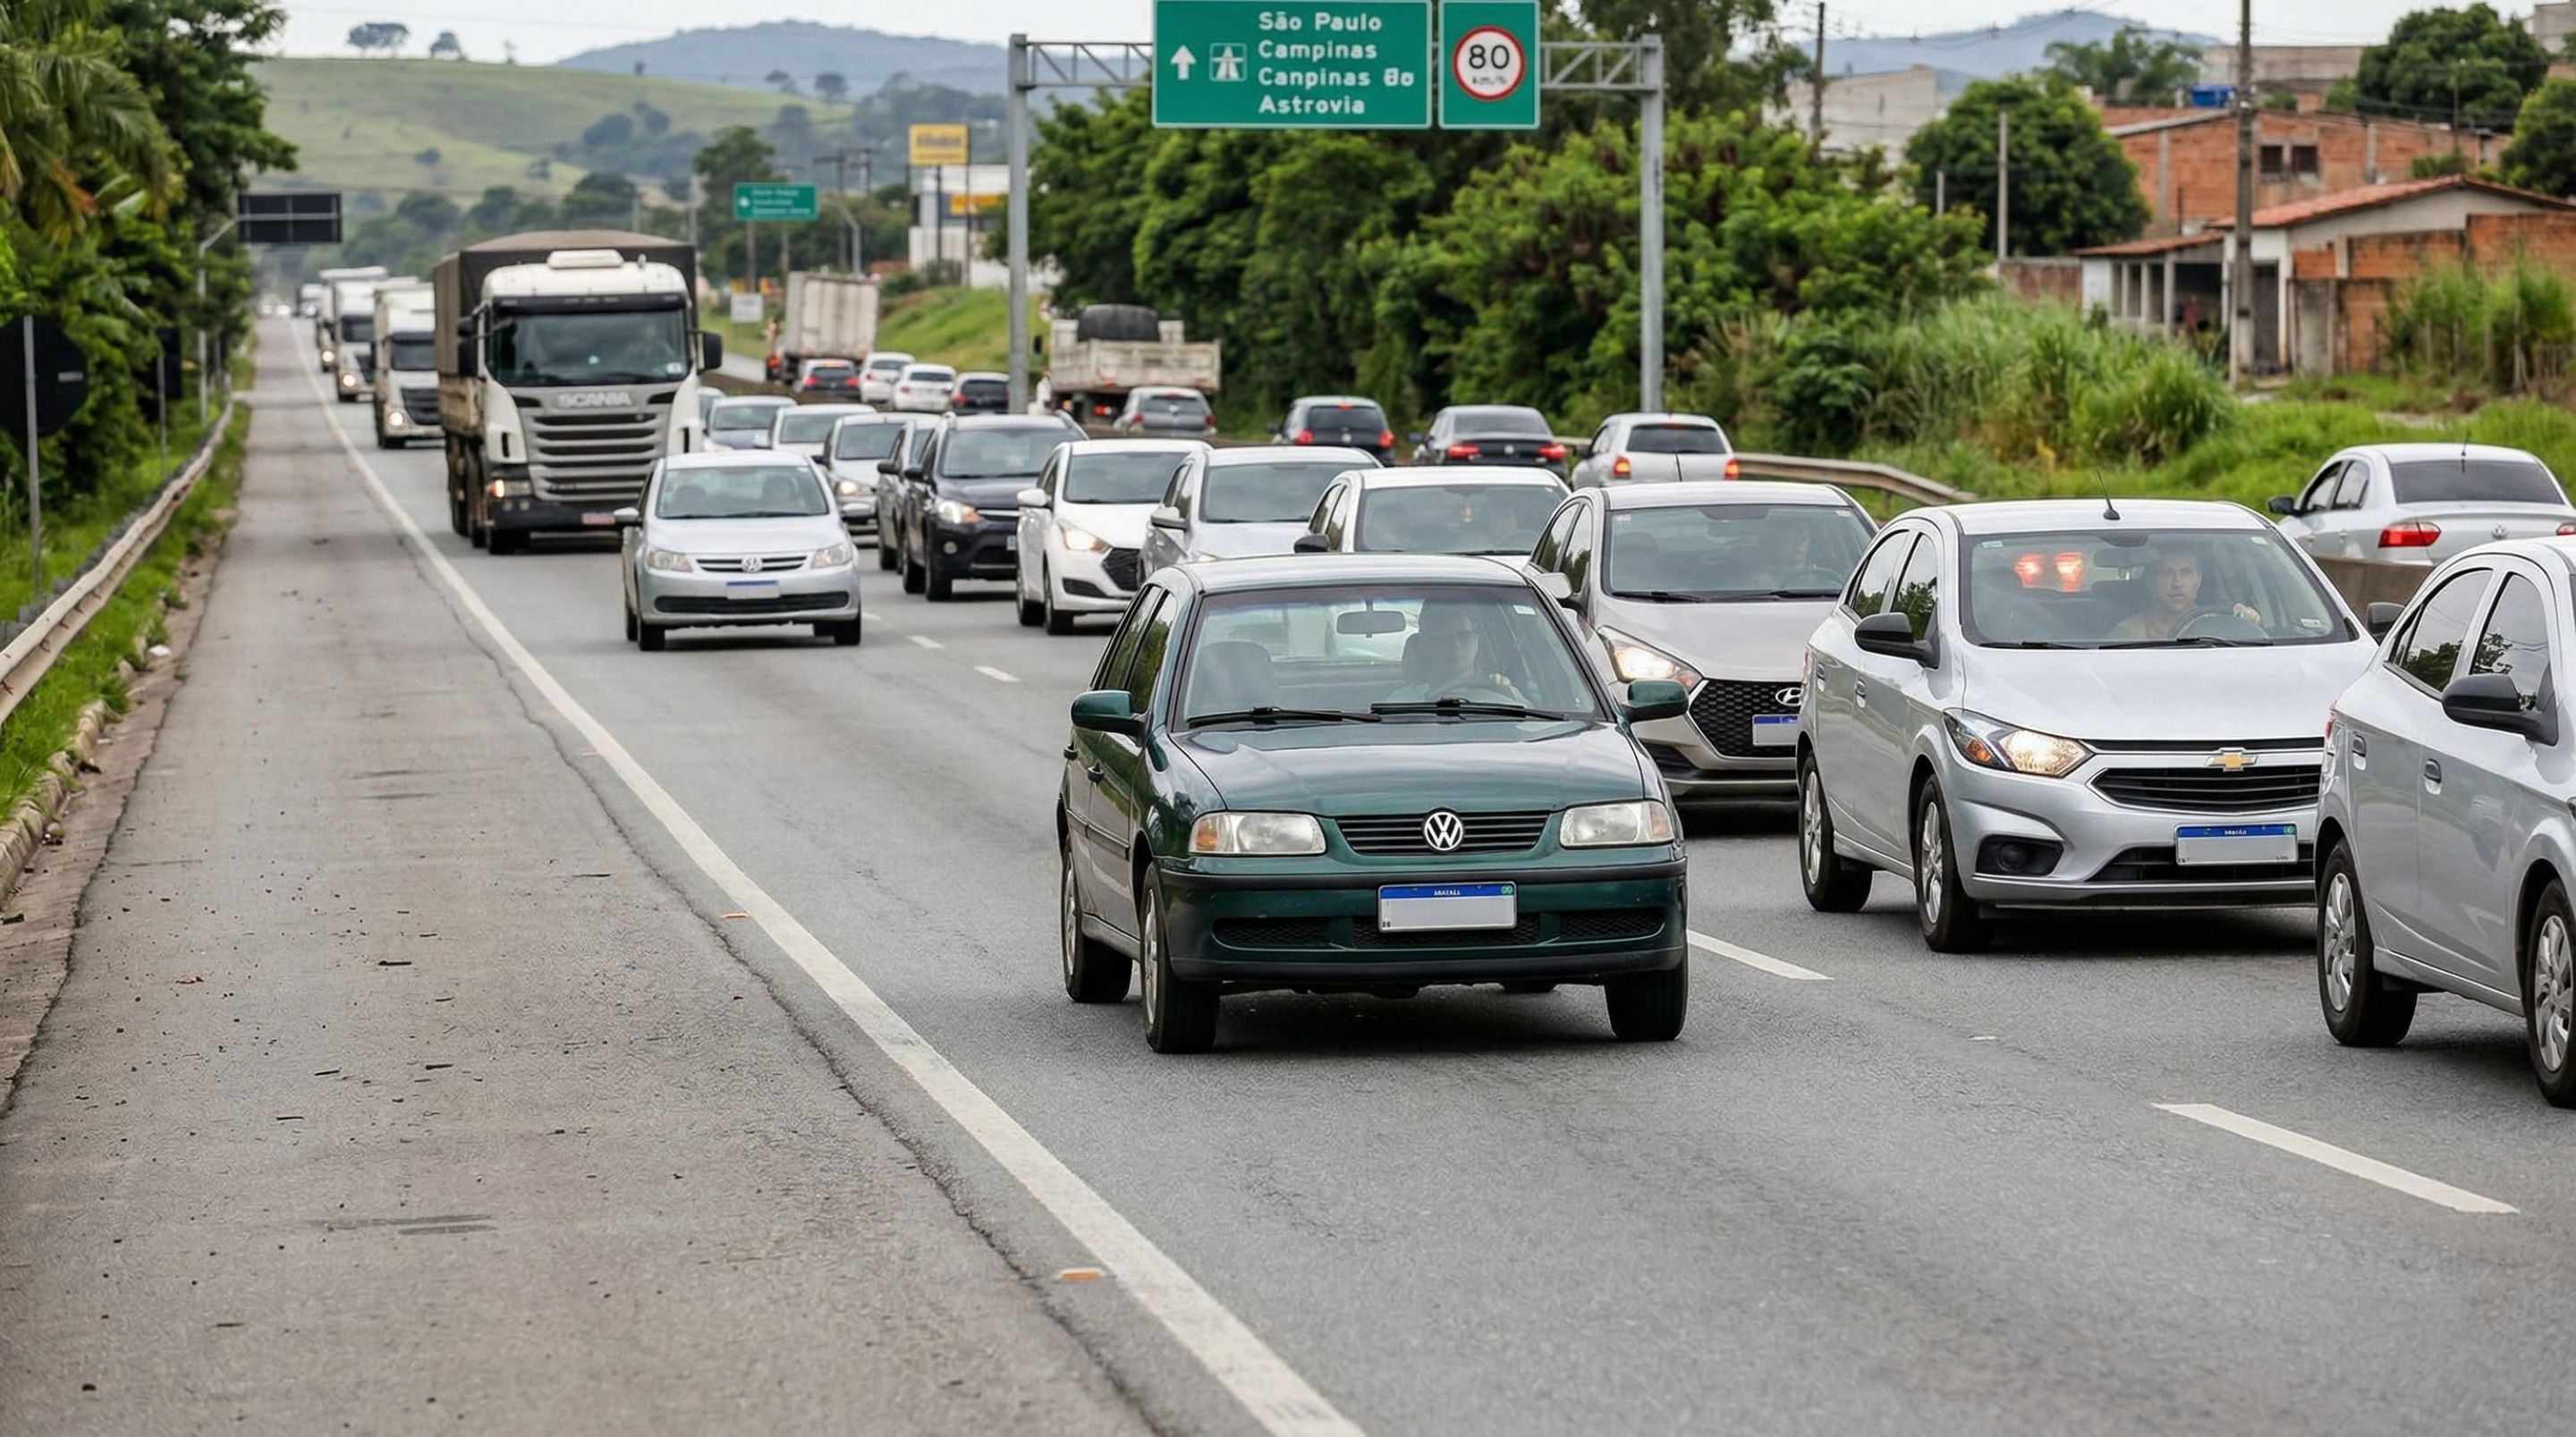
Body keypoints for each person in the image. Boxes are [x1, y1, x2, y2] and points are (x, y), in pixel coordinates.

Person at [2111, 547, 2258, 640]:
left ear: (2199, 579)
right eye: (2167, 573)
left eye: (2186, 572)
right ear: (2149, 581)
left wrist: (2248, 622)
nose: (2177, 583)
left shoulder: (2223, 624)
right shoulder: (2126, 633)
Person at [1386, 608, 1525, 703]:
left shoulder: (1500, 691)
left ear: (1476, 641)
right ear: (1428, 646)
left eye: (1464, 636)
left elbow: (1531, 726)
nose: (1456, 646)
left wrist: (1506, 696)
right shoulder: (1404, 699)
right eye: (1444, 638)